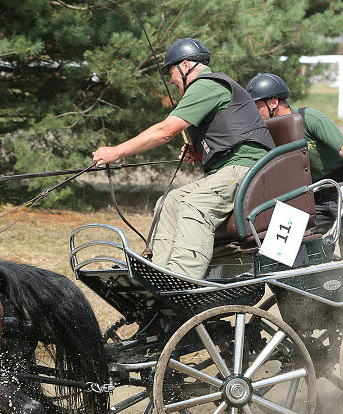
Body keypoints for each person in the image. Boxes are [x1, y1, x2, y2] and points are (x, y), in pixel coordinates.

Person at [92, 38, 274, 279]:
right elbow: (229, 133)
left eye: (171, 72)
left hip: (248, 168)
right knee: (169, 201)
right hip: (229, 170)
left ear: (185, 66)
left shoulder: (206, 85)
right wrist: (199, 150)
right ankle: (158, 272)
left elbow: (165, 131)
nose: (171, 80)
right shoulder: (208, 89)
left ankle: (182, 279)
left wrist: (116, 152)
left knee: (195, 206)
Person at [246, 72, 343, 254]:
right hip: (312, 198)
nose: (254, 114)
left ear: (273, 103)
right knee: (279, 249)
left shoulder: (310, 118)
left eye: (256, 107)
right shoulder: (269, 132)